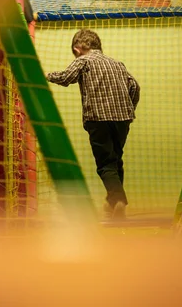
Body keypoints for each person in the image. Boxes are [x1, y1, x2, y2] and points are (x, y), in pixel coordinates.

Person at [46, 29, 140, 221]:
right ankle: (112, 202)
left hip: (98, 119)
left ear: (77, 48)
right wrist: (129, 109)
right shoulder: (117, 63)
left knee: (105, 163)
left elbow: (66, 77)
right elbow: (134, 86)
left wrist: (46, 76)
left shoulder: (84, 60)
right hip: (123, 119)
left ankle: (119, 200)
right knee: (115, 159)